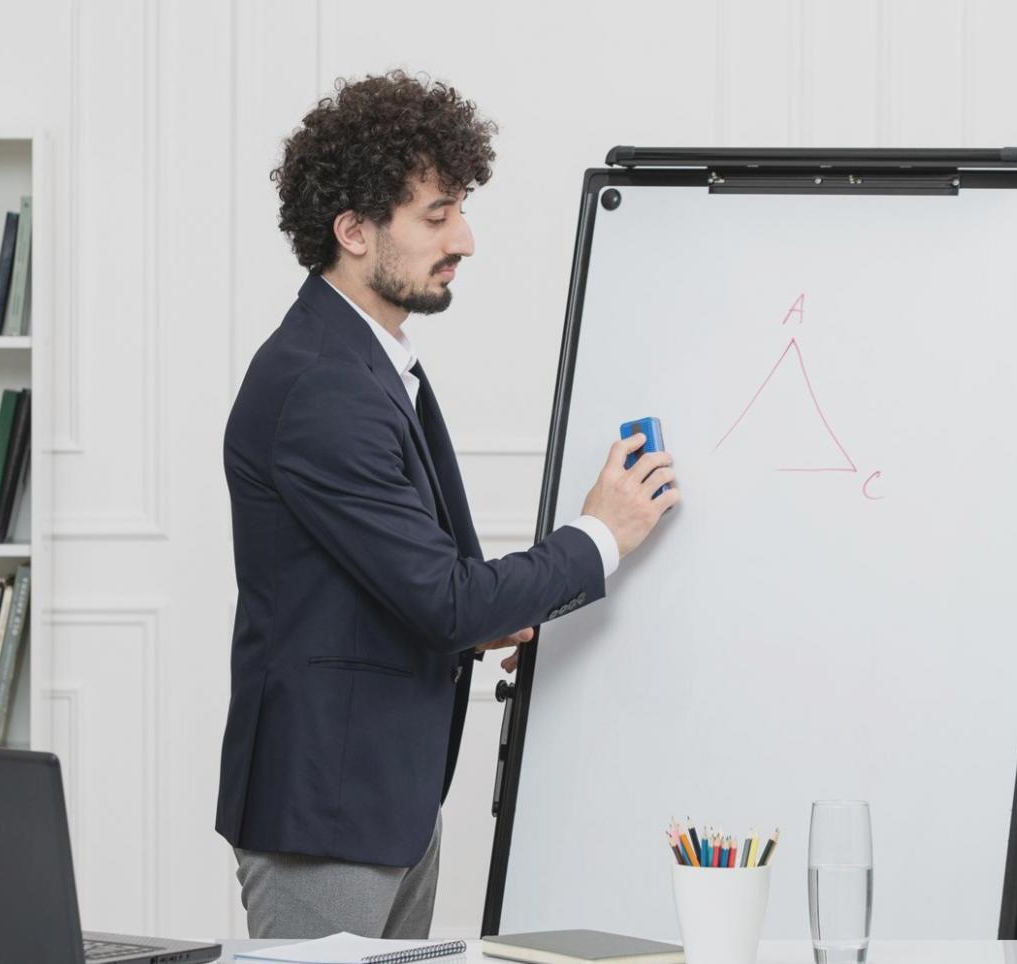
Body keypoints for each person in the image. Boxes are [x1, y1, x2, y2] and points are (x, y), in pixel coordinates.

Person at [215, 70, 680, 940]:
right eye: (436, 215)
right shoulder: (321, 384)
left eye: (460, 209)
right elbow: (446, 598)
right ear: (353, 230)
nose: (463, 238)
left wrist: (485, 619)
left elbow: (408, 585)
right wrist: (600, 534)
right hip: (327, 812)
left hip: (381, 799)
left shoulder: (366, 363)